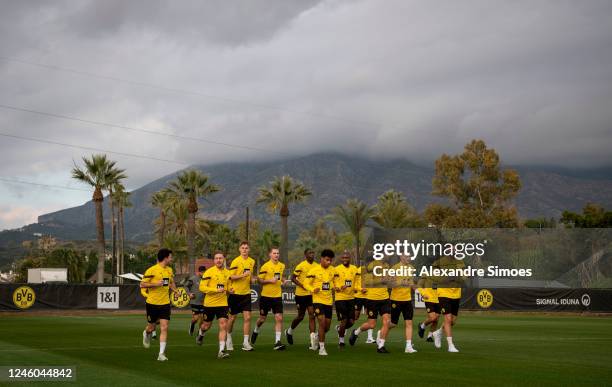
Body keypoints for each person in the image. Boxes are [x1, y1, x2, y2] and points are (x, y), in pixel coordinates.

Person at [140, 248, 178, 361]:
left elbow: (171, 283)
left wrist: (175, 291)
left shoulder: (170, 270)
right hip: (152, 303)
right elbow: (142, 284)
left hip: (165, 303)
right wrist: (155, 284)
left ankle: (161, 354)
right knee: (151, 327)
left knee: (164, 327)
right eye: (170, 257)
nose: (171, 258)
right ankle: (146, 333)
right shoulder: (152, 270)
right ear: (165, 258)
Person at [196, 251, 233, 359]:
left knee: (223, 325)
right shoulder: (209, 272)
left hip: (223, 304)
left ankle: (221, 350)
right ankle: (201, 333)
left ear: (224, 260)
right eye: (216, 258)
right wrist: (215, 290)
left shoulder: (228, 273)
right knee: (206, 326)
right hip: (210, 304)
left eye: (220, 258)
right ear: (214, 260)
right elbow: (202, 287)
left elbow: (228, 287)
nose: (218, 260)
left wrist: (230, 289)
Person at [349, 261, 392, 353]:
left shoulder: (386, 266)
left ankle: (381, 346)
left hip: (385, 298)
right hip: (372, 299)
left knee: (387, 322)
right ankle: (356, 332)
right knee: (371, 325)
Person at [252, 247, 287, 350]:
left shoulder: (282, 266)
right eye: (274, 253)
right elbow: (259, 280)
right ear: (270, 255)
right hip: (266, 297)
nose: (276, 255)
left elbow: (280, 277)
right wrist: (269, 281)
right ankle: (256, 329)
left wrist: (283, 280)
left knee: (279, 318)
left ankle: (277, 342)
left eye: (278, 253)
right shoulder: (265, 266)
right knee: (262, 319)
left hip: (277, 296)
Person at [303, 249, 336, 356]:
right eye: (327, 260)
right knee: (321, 322)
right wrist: (313, 289)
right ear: (321, 259)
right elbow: (306, 283)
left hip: (329, 301)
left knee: (327, 327)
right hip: (318, 301)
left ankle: (317, 336)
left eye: (330, 260)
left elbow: (334, 283)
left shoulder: (333, 270)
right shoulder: (314, 270)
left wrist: (337, 287)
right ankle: (322, 348)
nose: (329, 262)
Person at [432, 255, 465, 353]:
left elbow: (464, 276)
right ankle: (450, 345)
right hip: (443, 293)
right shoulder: (440, 261)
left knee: (452, 321)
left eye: (454, 249)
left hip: (456, 293)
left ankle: (438, 332)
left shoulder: (460, 261)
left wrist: (459, 277)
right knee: (448, 318)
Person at [227, 241, 256, 351]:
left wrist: (252, 279)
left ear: (249, 250)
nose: (244, 250)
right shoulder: (236, 261)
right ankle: (228, 339)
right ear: (239, 249)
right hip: (235, 294)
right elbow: (231, 276)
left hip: (246, 294)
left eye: (246, 248)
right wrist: (243, 275)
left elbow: (250, 276)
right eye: (243, 248)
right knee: (232, 318)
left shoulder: (252, 261)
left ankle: (245, 342)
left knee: (248, 317)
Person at [287, 248, 318, 349]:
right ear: (305, 255)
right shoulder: (301, 265)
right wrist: (302, 285)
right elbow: (292, 278)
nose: (312, 254)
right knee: (300, 316)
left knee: (312, 315)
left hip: (311, 294)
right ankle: (289, 331)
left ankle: (312, 340)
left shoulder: (317, 266)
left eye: (313, 252)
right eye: (310, 253)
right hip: (300, 295)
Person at [387, 255, 417, 353]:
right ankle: (382, 332)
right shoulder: (395, 268)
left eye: (410, 257)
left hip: (407, 299)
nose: (409, 259)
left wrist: (419, 290)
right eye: (407, 257)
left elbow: (411, 282)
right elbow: (390, 284)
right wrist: (400, 283)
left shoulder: (412, 268)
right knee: (393, 324)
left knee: (409, 322)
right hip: (396, 300)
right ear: (401, 257)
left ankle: (408, 346)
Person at [332, 250, 360, 347]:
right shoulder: (336, 269)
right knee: (344, 320)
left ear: (350, 258)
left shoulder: (354, 269)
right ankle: (341, 341)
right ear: (341, 259)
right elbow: (334, 282)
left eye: (347, 257)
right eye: (343, 258)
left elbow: (356, 282)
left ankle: (340, 328)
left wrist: (358, 289)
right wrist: (339, 287)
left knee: (352, 321)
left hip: (351, 298)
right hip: (340, 298)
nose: (345, 259)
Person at [352, 265, 374, 343]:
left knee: (370, 316)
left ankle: (369, 338)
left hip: (369, 296)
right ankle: (342, 329)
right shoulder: (359, 270)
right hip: (358, 296)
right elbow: (354, 284)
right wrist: (361, 289)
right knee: (355, 316)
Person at [184, 265, 207, 336]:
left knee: (203, 318)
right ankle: (192, 324)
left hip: (204, 302)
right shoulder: (193, 279)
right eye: (202, 272)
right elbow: (185, 286)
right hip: (194, 302)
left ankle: (200, 332)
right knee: (196, 318)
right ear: (198, 272)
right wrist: (189, 293)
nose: (203, 273)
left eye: (204, 272)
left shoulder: (207, 279)